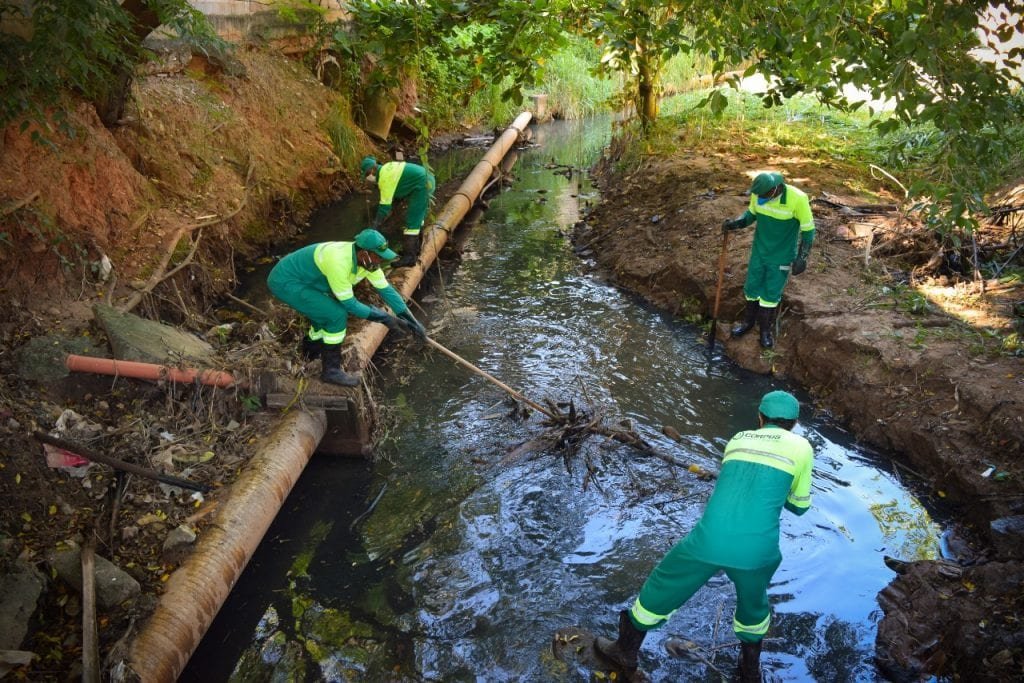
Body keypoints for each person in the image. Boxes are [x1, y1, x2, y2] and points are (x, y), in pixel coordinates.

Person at [594, 390, 814, 682]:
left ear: (760, 417)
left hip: (709, 539)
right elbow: (799, 507)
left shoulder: (737, 439)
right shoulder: (802, 448)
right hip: (757, 549)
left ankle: (625, 650)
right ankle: (749, 672)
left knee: (663, 584)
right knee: (754, 605)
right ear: (795, 423)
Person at [267, 228, 427, 387]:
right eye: (378, 257)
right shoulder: (339, 261)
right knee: (335, 314)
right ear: (364, 253)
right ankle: (331, 371)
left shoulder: (367, 264)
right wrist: (384, 318)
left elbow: (387, 291)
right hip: (286, 281)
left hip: (311, 280)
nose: (380, 262)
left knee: (321, 314)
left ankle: (311, 353)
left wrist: (410, 320)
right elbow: (350, 305)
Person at [722, 172, 815, 348]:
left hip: (781, 255)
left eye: (764, 195)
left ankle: (765, 330)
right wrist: (736, 223)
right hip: (759, 251)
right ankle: (748, 323)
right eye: (758, 195)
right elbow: (751, 214)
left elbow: (808, 231)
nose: (760, 198)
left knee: (771, 293)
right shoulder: (759, 194)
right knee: (752, 287)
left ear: (776, 189)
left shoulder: (798, 199)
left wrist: (802, 258)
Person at [361, 155, 437, 268]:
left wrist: (374, 226)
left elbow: (384, 208)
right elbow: (399, 187)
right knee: (418, 219)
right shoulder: (387, 167)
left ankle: (409, 258)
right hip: (426, 179)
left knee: (412, 221)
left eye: (367, 174)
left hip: (423, 185)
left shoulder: (384, 178)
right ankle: (415, 250)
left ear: (372, 170)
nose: (368, 178)